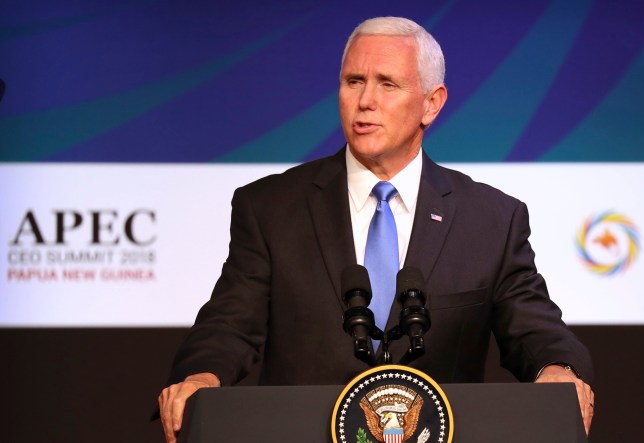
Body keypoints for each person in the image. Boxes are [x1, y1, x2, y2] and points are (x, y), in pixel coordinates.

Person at [158, 16, 594, 442]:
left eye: (388, 84)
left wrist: (558, 369)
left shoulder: (491, 219)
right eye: (353, 81)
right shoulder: (271, 207)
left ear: (432, 103)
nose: (366, 100)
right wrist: (202, 375)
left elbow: (534, 327)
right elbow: (230, 323)